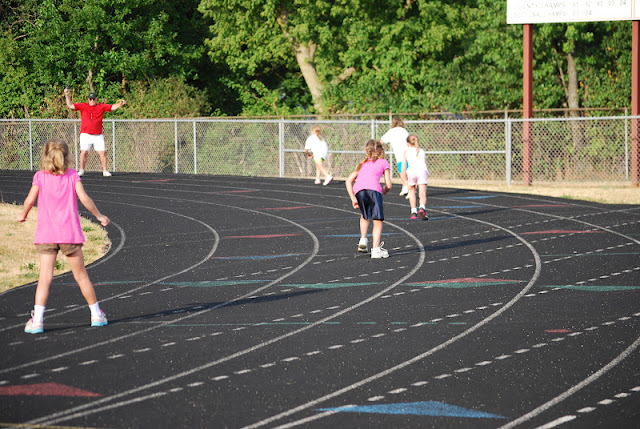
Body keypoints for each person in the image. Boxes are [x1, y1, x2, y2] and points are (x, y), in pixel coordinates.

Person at [16, 139, 110, 334]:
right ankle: (96, 314)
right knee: (81, 276)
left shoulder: (40, 177)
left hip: (46, 234)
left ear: (45, 156)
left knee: (45, 278)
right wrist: (99, 216)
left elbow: (29, 200)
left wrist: (23, 214)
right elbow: (84, 199)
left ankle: (37, 320)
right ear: (66, 157)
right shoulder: (72, 175)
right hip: (69, 234)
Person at [64, 87, 127, 177]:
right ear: (88, 99)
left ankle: (105, 170)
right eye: (90, 99)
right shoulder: (83, 106)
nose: (92, 100)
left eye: (93, 99)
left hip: (98, 135)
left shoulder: (101, 106)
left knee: (102, 153)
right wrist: (67, 95)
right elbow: (70, 105)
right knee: (84, 152)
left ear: (96, 99)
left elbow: (112, 107)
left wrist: (120, 104)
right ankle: (81, 170)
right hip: (86, 134)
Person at [345, 140, 392, 259]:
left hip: (359, 191)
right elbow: (388, 185)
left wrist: (353, 198)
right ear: (381, 151)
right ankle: (376, 250)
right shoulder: (383, 162)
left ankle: (363, 239)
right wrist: (384, 191)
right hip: (374, 191)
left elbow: (348, 181)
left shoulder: (362, 164)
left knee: (364, 215)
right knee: (377, 220)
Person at [380, 117, 410, 197]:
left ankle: (408, 187)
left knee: (402, 171)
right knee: (406, 171)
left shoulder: (391, 131)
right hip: (408, 153)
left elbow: (381, 141)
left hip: (399, 154)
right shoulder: (404, 131)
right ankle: (405, 186)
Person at [403, 134, 429, 220]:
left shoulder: (406, 152)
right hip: (422, 171)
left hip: (411, 171)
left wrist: (405, 179)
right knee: (422, 193)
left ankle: (413, 212)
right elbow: (425, 163)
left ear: (408, 143)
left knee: (412, 191)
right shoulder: (422, 151)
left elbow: (403, 167)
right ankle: (422, 207)